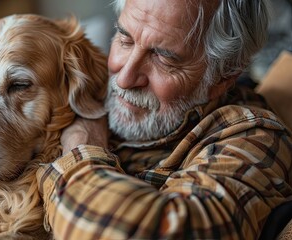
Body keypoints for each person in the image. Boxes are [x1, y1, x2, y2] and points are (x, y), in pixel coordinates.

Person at [36, 0, 292, 239]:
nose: (124, 78)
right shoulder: (81, 87)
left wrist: (81, 147)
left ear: (223, 75)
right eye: (125, 39)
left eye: (164, 57)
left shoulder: (252, 136)